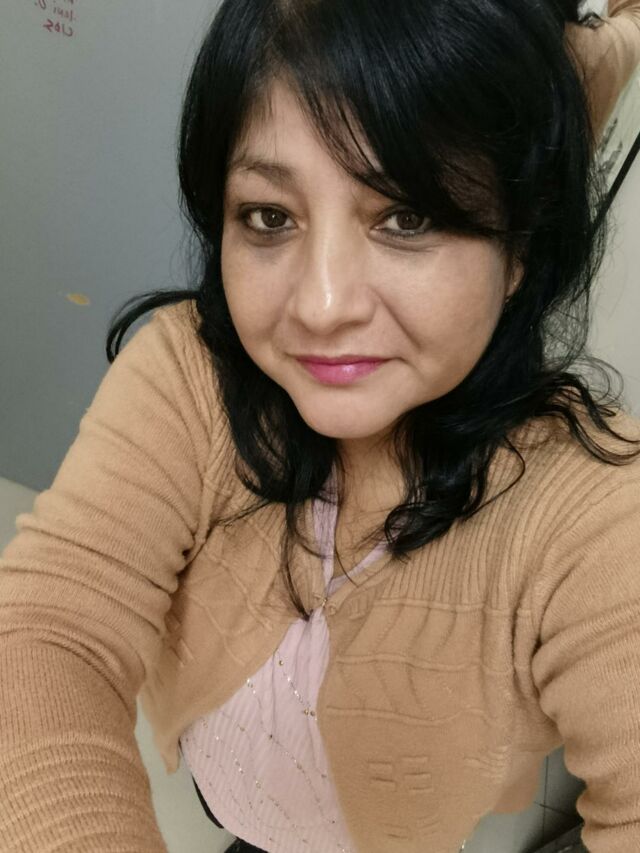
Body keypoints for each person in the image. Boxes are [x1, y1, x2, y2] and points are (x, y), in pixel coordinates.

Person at [1, 2, 640, 852]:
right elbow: (51, 631)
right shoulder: (189, 375)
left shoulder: (594, 509)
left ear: (521, 245)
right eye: (270, 216)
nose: (322, 305)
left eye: (406, 216)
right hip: (226, 788)